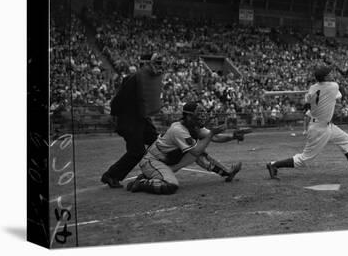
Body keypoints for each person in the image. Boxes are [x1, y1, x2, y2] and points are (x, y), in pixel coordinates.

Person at [266, 65, 348, 180]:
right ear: (325, 77)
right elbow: (339, 96)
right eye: (329, 73)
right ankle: (273, 165)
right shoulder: (333, 86)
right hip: (319, 128)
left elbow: (308, 99)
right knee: (304, 159)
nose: (332, 74)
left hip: (327, 125)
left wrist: (312, 92)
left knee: (345, 140)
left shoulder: (312, 88)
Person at [126, 102, 243, 194]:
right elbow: (199, 148)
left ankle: (227, 173)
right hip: (153, 161)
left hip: (168, 160)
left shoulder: (193, 126)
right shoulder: (178, 130)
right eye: (198, 114)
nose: (201, 116)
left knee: (198, 152)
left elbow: (215, 138)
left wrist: (233, 136)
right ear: (188, 116)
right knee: (170, 185)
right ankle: (141, 183)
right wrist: (212, 133)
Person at [100, 53, 164, 188]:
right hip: (130, 121)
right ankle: (111, 175)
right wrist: (118, 117)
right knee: (136, 152)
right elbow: (117, 102)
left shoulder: (147, 80)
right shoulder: (134, 78)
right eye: (156, 63)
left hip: (141, 119)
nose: (159, 67)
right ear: (146, 64)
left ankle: (153, 172)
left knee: (158, 143)